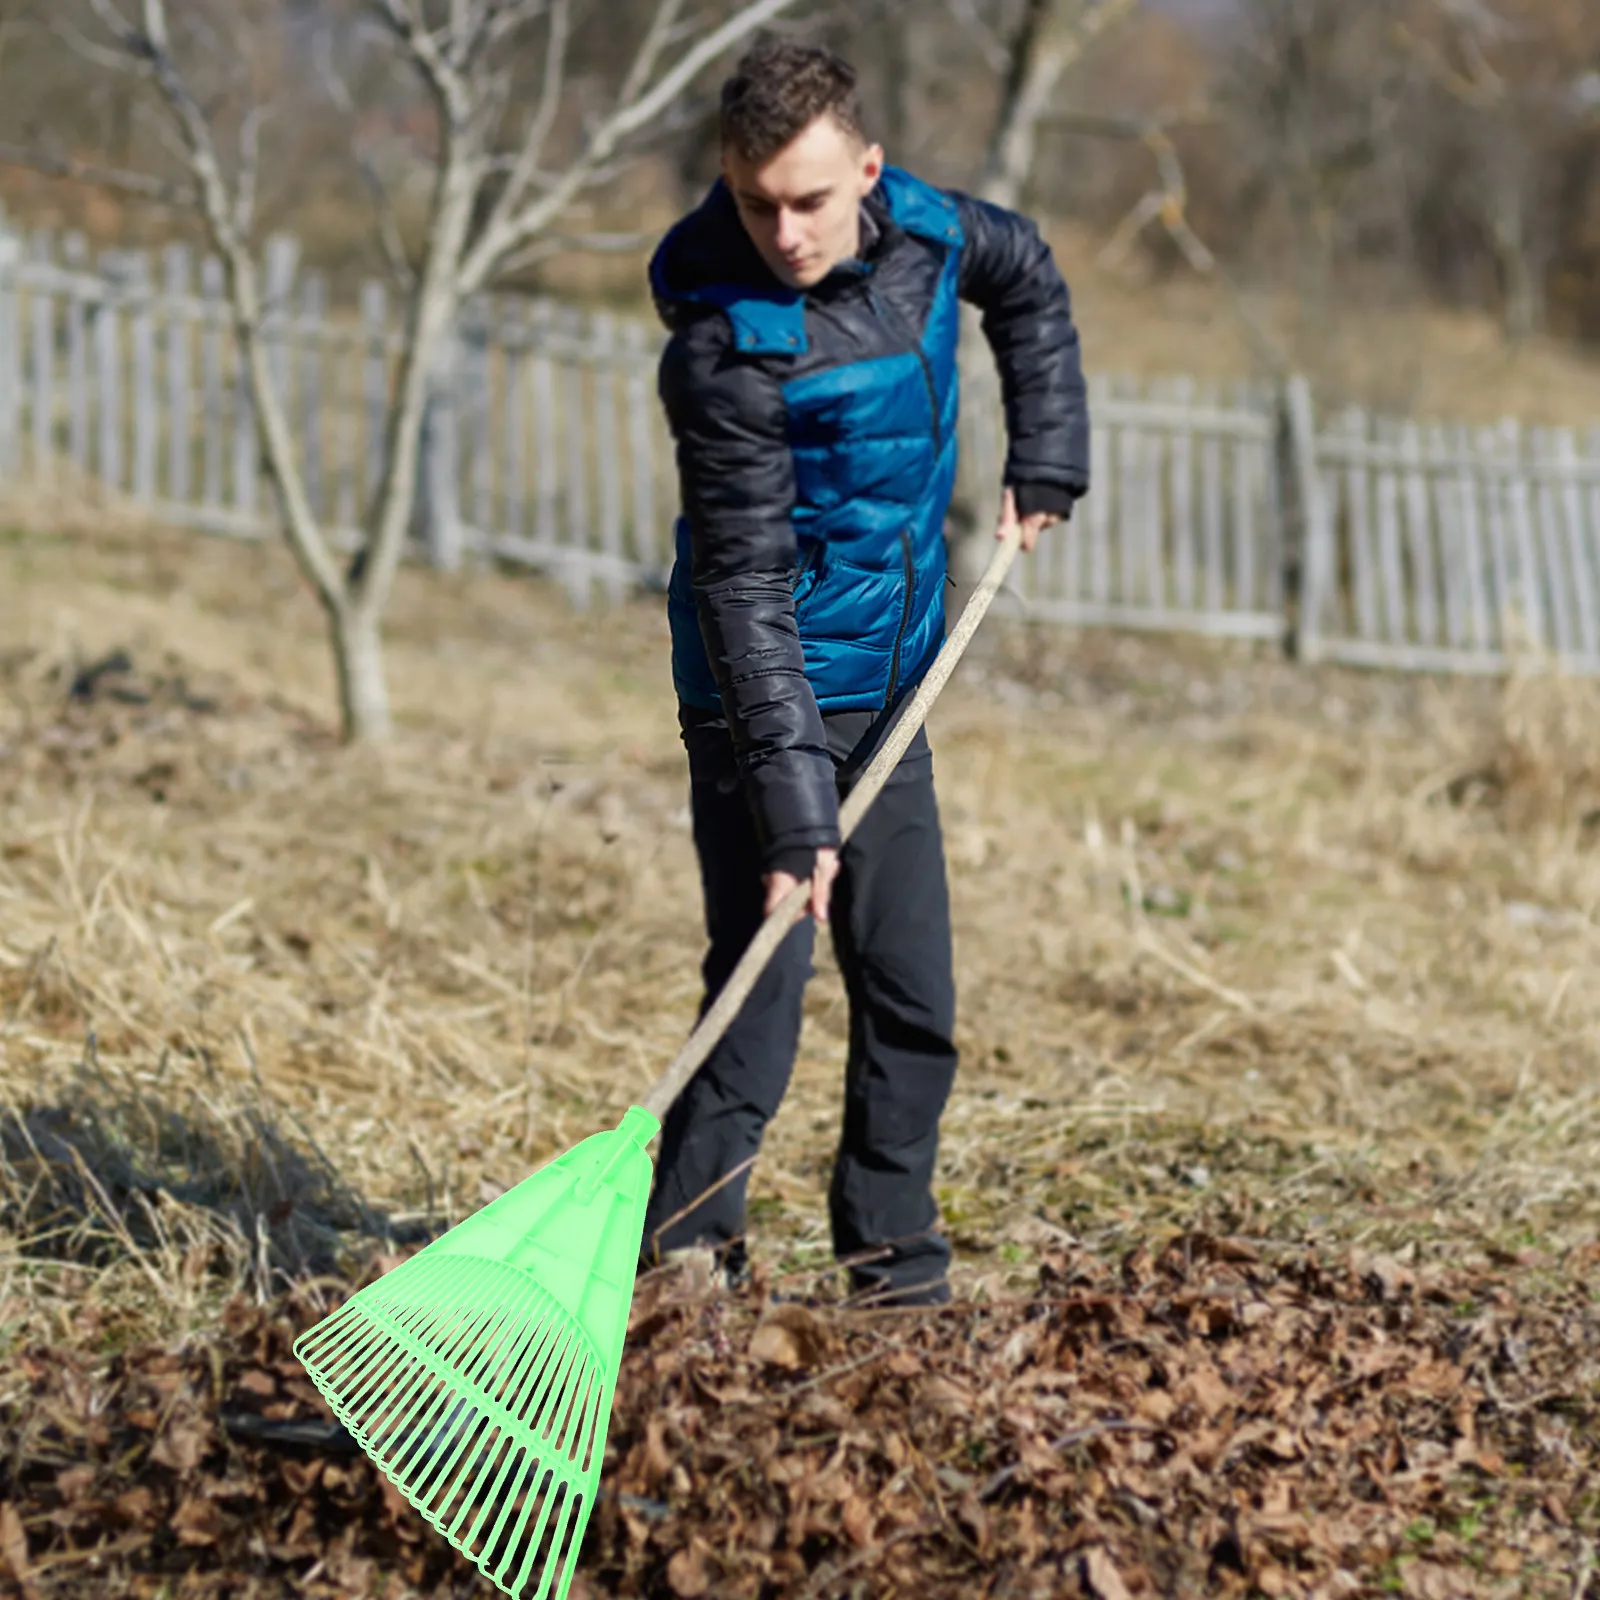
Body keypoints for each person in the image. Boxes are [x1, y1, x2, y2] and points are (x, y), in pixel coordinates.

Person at [640, 36, 1090, 1307]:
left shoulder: (932, 232)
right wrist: (796, 819)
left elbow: (1031, 277)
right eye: (754, 203)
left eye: (811, 200)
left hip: (892, 675)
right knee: (761, 989)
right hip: (759, 692)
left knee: (910, 992)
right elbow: (742, 589)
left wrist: (1045, 450)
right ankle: (683, 1258)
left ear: (870, 172)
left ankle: (895, 1271)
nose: (784, 232)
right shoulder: (726, 350)